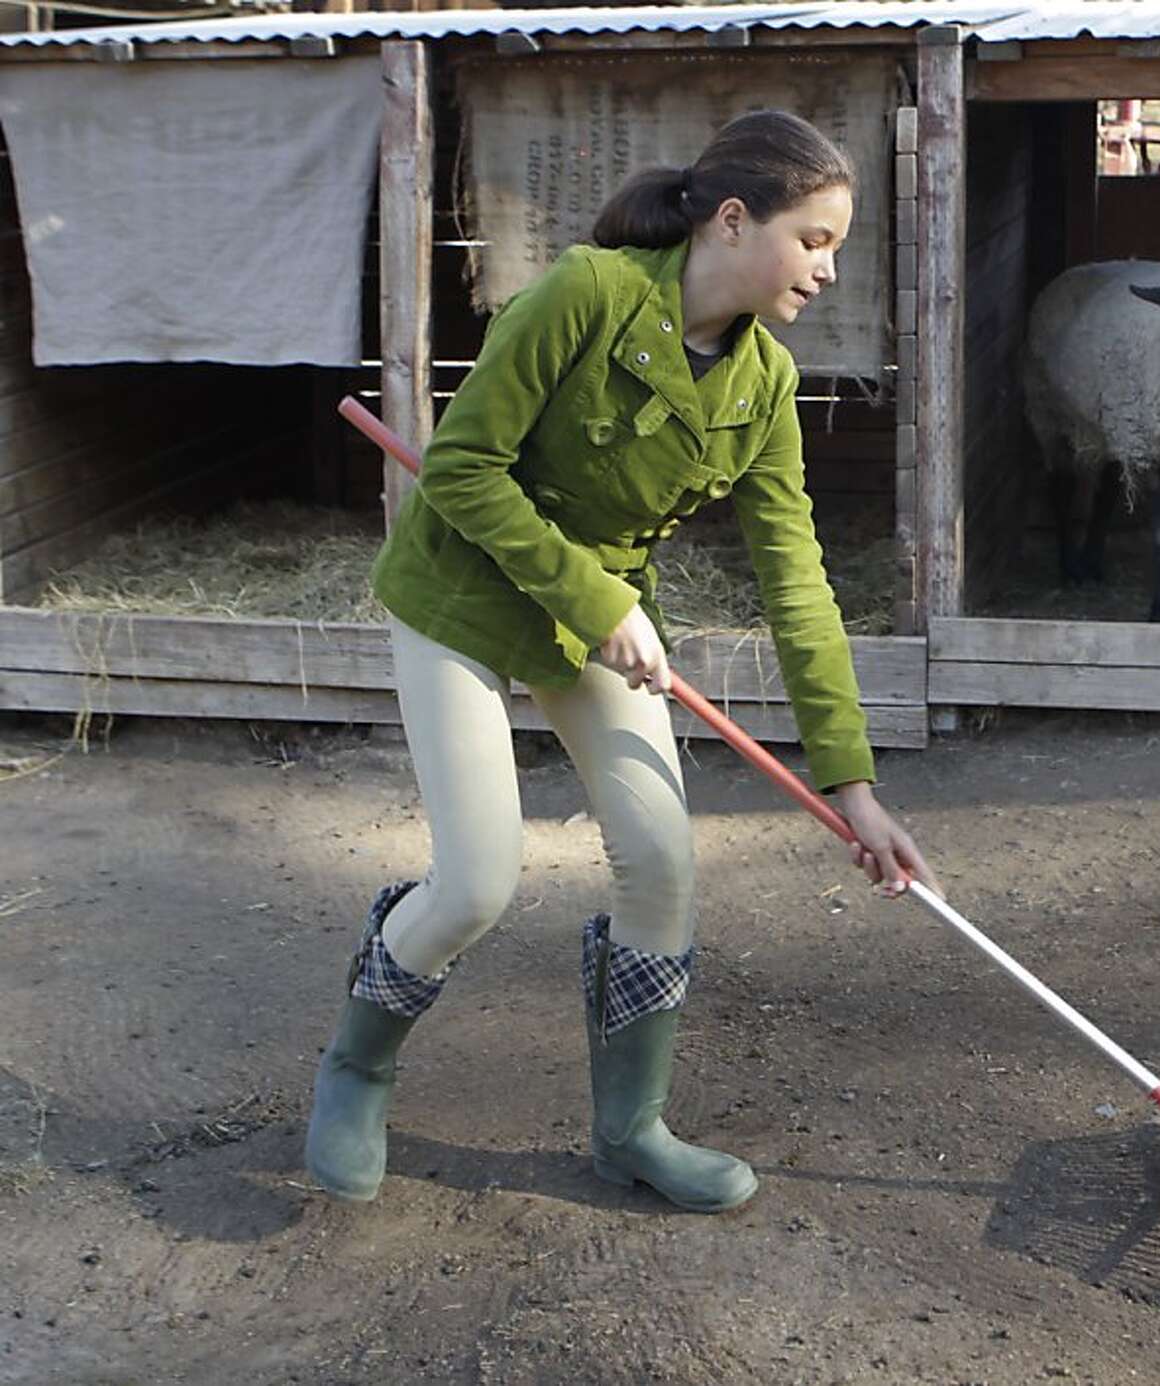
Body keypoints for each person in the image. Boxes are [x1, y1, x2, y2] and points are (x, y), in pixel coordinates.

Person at [305, 109, 939, 1214]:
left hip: (586, 623)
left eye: (837, 247)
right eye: (816, 240)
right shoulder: (588, 295)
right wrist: (600, 597)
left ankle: (632, 1128)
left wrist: (854, 786)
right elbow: (461, 469)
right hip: (460, 596)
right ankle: (356, 1068)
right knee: (477, 881)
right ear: (734, 222)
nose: (829, 271)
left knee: (663, 865)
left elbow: (799, 587)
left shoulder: (763, 388)